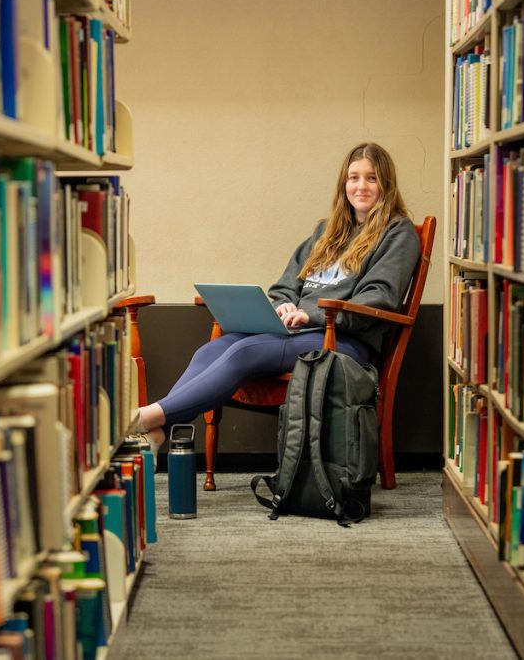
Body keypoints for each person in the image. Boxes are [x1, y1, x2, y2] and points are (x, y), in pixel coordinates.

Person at [132, 142, 422, 455]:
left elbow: (378, 299)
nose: (361, 186)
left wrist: (309, 315)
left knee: (244, 351)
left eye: (372, 178)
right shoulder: (327, 232)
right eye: (354, 177)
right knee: (211, 350)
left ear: (386, 185)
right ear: (344, 184)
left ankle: (145, 418)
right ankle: (158, 432)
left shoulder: (398, 232)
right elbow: (286, 286)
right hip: (298, 332)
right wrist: (283, 305)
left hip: (343, 341)